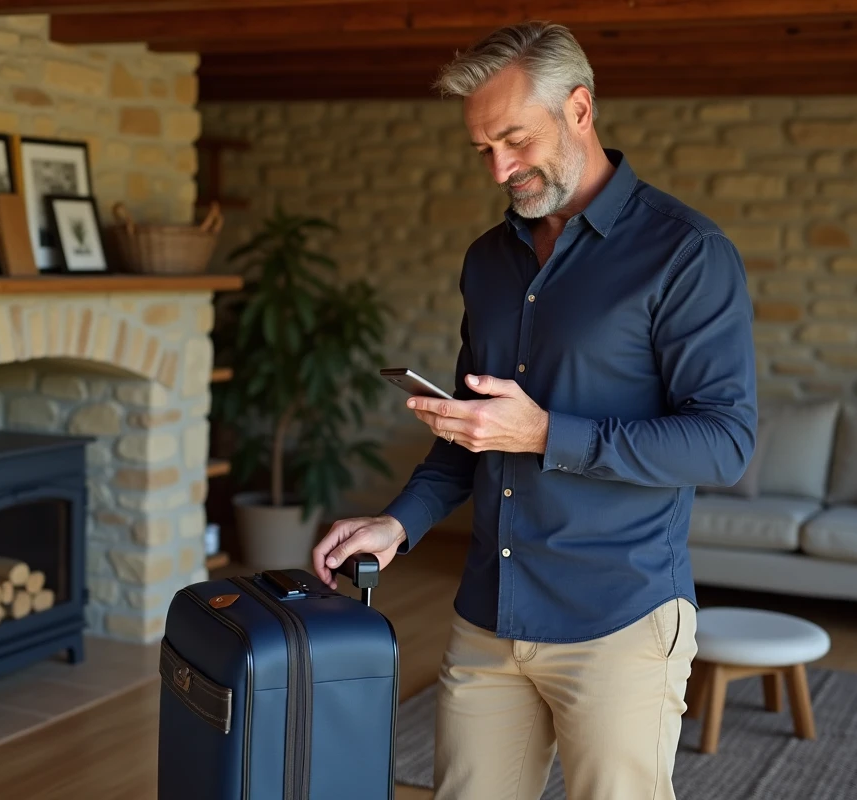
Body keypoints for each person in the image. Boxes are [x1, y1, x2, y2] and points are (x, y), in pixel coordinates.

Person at [311, 20, 758, 800]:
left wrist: (549, 432)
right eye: (482, 149)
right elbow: (469, 432)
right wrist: (400, 523)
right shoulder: (487, 261)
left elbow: (725, 443)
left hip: (619, 621)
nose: (499, 169)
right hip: (489, 616)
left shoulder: (687, 253)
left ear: (579, 109)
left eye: (514, 140)